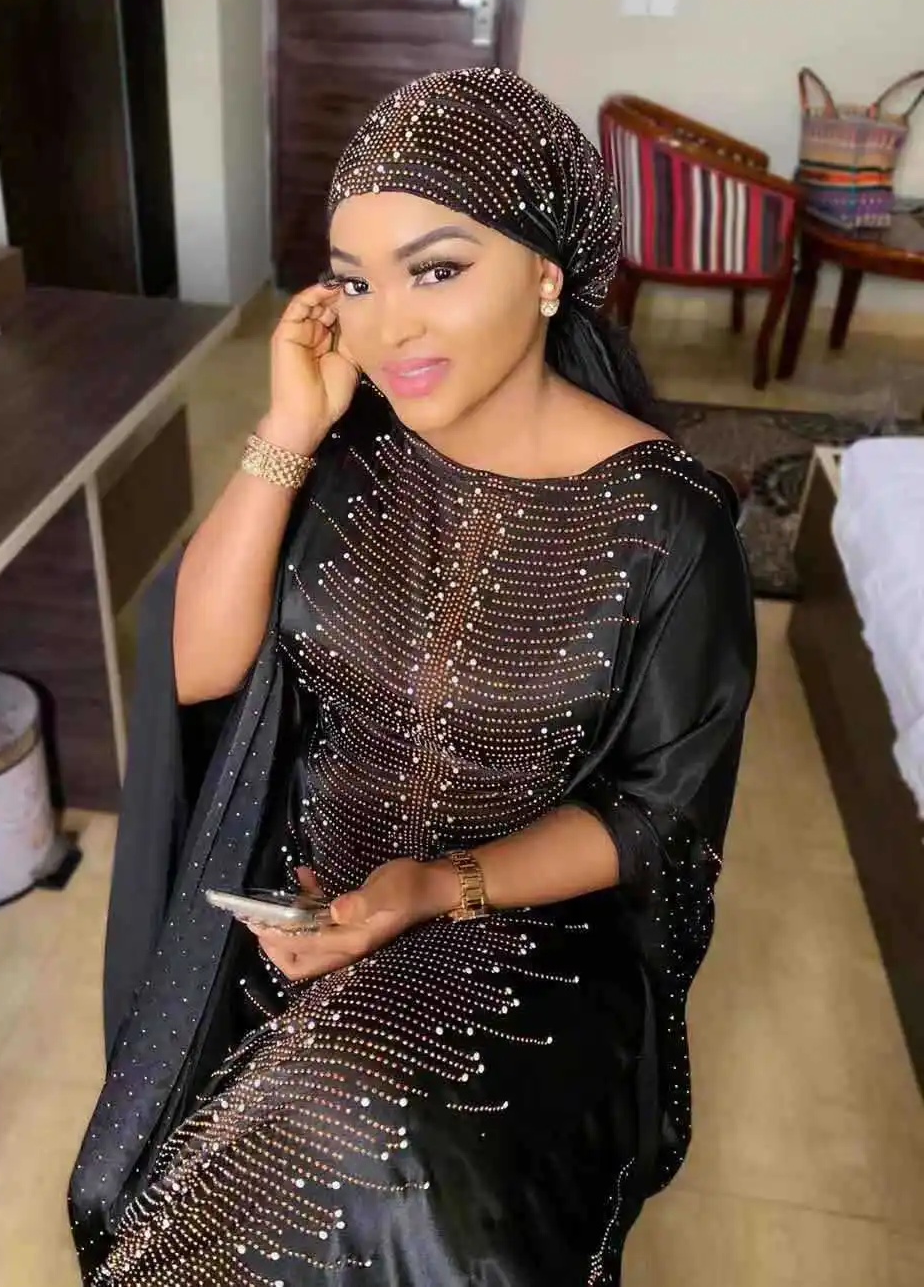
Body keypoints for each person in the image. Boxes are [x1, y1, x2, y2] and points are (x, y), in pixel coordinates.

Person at [69, 68, 756, 1286]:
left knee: (369, 1157)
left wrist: (439, 887)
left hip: (521, 934)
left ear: (547, 274)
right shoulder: (343, 451)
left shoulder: (671, 525)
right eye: (354, 280)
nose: (388, 329)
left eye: (437, 270)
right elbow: (198, 667)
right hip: (295, 906)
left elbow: (659, 816)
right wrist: (288, 429)